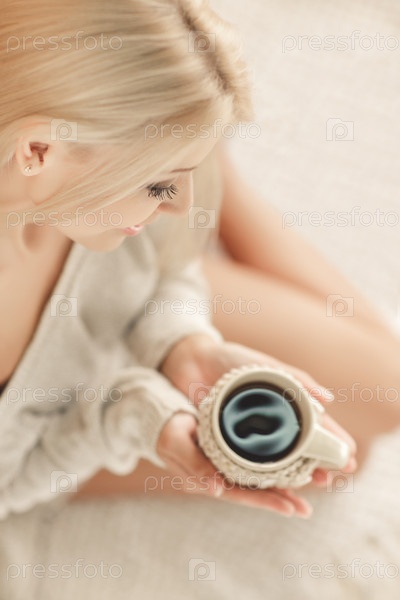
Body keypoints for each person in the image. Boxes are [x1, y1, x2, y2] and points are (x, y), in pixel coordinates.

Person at [0, 0, 358, 527]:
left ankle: (200, 144)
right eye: (161, 185)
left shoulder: (106, 208)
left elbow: (170, 265)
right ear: (37, 150)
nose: (185, 207)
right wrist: (137, 417)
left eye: (184, 176)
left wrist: (183, 345)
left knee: (379, 396)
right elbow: (14, 481)